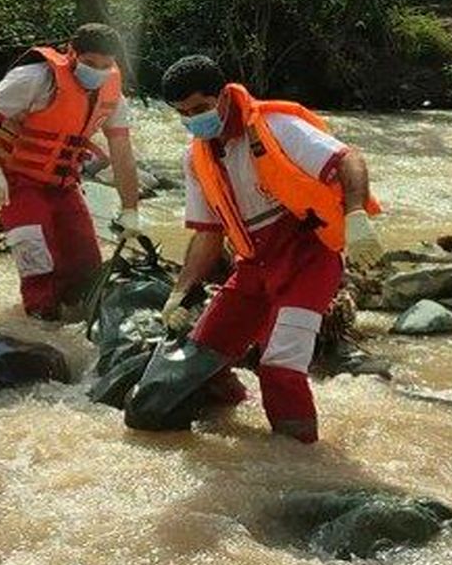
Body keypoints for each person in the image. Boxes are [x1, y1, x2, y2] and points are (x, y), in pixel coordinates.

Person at [157, 55, 384, 443]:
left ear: (223, 96)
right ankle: (239, 428)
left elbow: (348, 159)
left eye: (199, 108)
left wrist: (356, 215)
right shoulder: (195, 159)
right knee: (201, 360)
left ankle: (297, 458)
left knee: (280, 366)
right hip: (253, 265)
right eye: (183, 114)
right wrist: (179, 292)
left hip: (308, 259)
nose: (193, 119)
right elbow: (207, 235)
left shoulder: (276, 126)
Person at [0, 23, 143, 320]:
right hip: (18, 182)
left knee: (87, 267)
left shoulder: (113, 94)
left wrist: (130, 209)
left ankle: (79, 330)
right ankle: (39, 328)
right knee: (40, 270)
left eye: (105, 66)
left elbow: (122, 152)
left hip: (64, 185)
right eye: (89, 63)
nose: (98, 71)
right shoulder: (35, 78)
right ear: (71, 53)